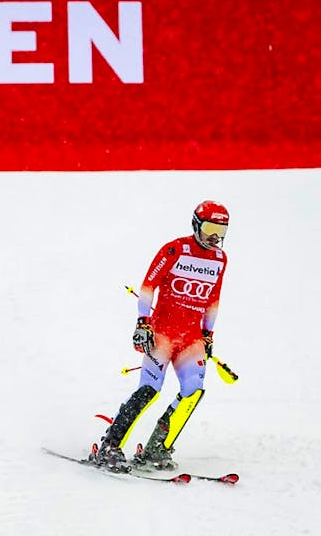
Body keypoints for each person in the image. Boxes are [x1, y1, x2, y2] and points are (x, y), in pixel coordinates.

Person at [90, 200, 230, 471]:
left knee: (193, 392)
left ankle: (158, 447)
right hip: (162, 334)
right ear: (196, 224)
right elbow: (148, 286)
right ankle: (110, 445)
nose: (215, 237)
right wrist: (143, 323)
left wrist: (208, 335)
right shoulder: (175, 249)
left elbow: (213, 300)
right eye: (211, 228)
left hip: (191, 339)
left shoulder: (220, 260)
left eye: (221, 232)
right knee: (149, 390)